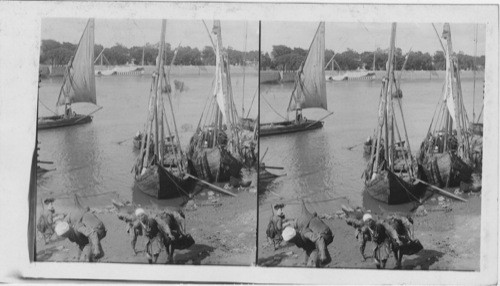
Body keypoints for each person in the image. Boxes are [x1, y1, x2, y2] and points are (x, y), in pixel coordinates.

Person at [282, 201, 334, 267]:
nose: (289, 242)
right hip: (311, 247)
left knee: (312, 264)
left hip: (320, 242)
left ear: (294, 237)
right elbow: (306, 247)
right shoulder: (297, 238)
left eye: (290, 241)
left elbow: (319, 239)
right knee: (305, 262)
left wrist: (323, 253)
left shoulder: (305, 233)